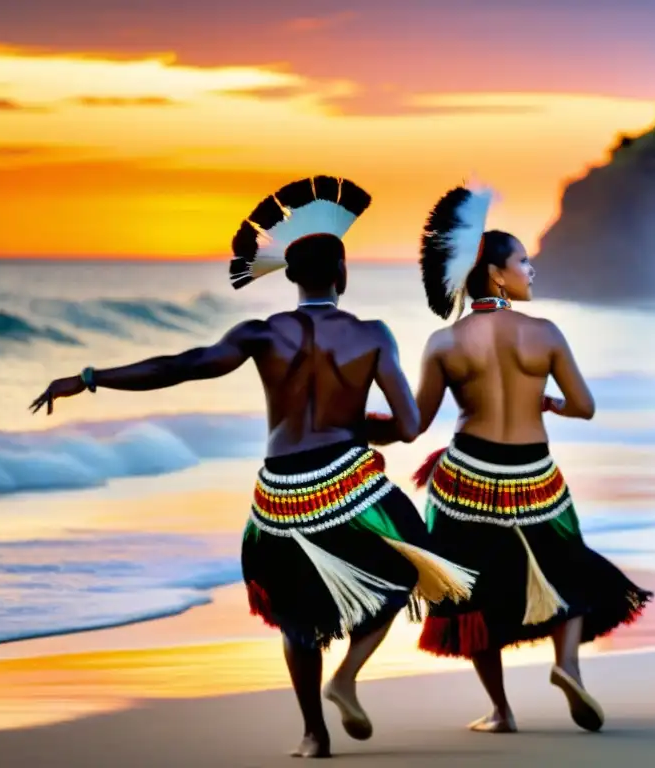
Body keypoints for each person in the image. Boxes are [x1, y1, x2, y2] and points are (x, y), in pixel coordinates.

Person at [29, 175, 476, 759]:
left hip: (280, 498)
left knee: (297, 620)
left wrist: (90, 378)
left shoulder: (260, 334)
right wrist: (359, 427)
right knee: (410, 572)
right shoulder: (371, 335)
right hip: (350, 487)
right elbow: (411, 426)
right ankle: (347, 677)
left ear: (290, 278)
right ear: (342, 275)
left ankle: (314, 735)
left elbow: (183, 365)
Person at [405, 182, 652, 734]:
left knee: (469, 590)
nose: (531, 269)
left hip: (466, 477)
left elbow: (415, 424)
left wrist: (360, 425)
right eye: (523, 260)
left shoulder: (444, 343)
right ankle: (566, 667)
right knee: (568, 566)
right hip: (534, 475)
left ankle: (501, 710)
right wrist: (550, 402)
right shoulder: (545, 333)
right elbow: (585, 407)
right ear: (495, 273)